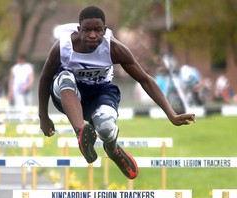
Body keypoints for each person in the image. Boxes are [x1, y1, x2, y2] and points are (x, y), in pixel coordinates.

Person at [38, 6, 196, 179]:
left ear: (104, 31)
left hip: (100, 93)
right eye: (87, 30)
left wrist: (172, 114)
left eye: (97, 30)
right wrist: (43, 117)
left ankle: (113, 150)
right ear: (79, 30)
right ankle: (81, 133)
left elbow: (145, 79)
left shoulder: (114, 49)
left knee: (106, 127)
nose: (92, 35)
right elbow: (45, 78)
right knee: (65, 77)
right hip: (68, 95)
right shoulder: (63, 47)